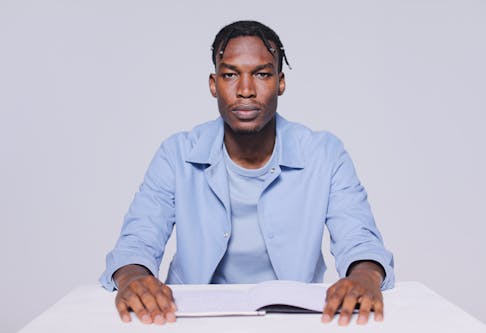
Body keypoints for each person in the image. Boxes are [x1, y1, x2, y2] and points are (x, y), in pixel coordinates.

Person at [100, 20, 394, 326]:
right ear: (214, 84)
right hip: (187, 320)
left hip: (295, 321)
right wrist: (133, 277)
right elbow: (138, 241)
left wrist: (365, 276)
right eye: (230, 75)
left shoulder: (324, 153)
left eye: (262, 74)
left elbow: (358, 237)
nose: (245, 90)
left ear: (280, 82)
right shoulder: (177, 155)